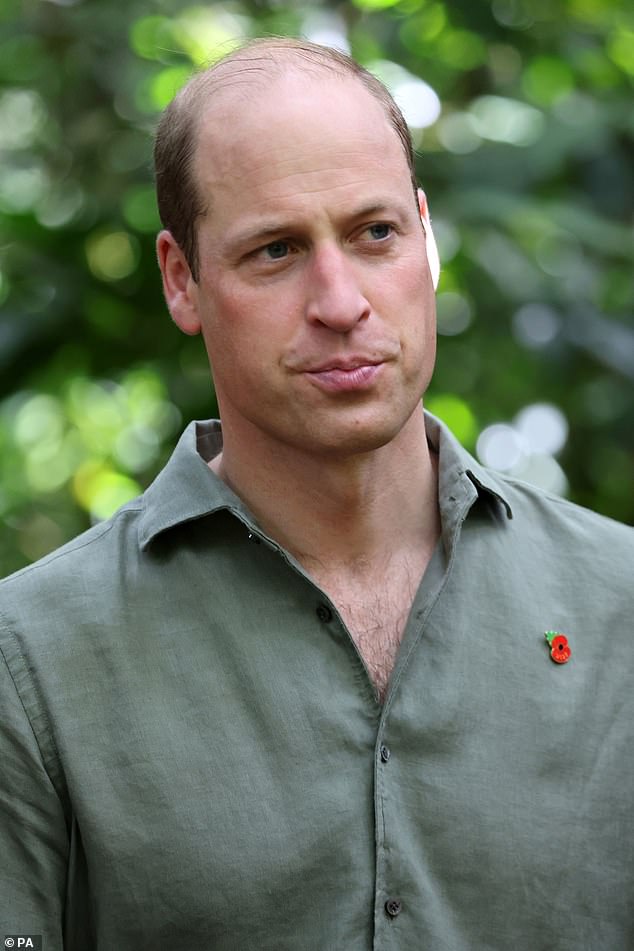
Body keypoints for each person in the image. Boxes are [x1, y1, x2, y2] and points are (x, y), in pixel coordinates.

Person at [0, 38, 632, 951]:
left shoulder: (619, 606)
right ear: (183, 279)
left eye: (374, 233)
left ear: (425, 236)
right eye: (276, 249)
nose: (340, 301)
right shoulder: (32, 662)